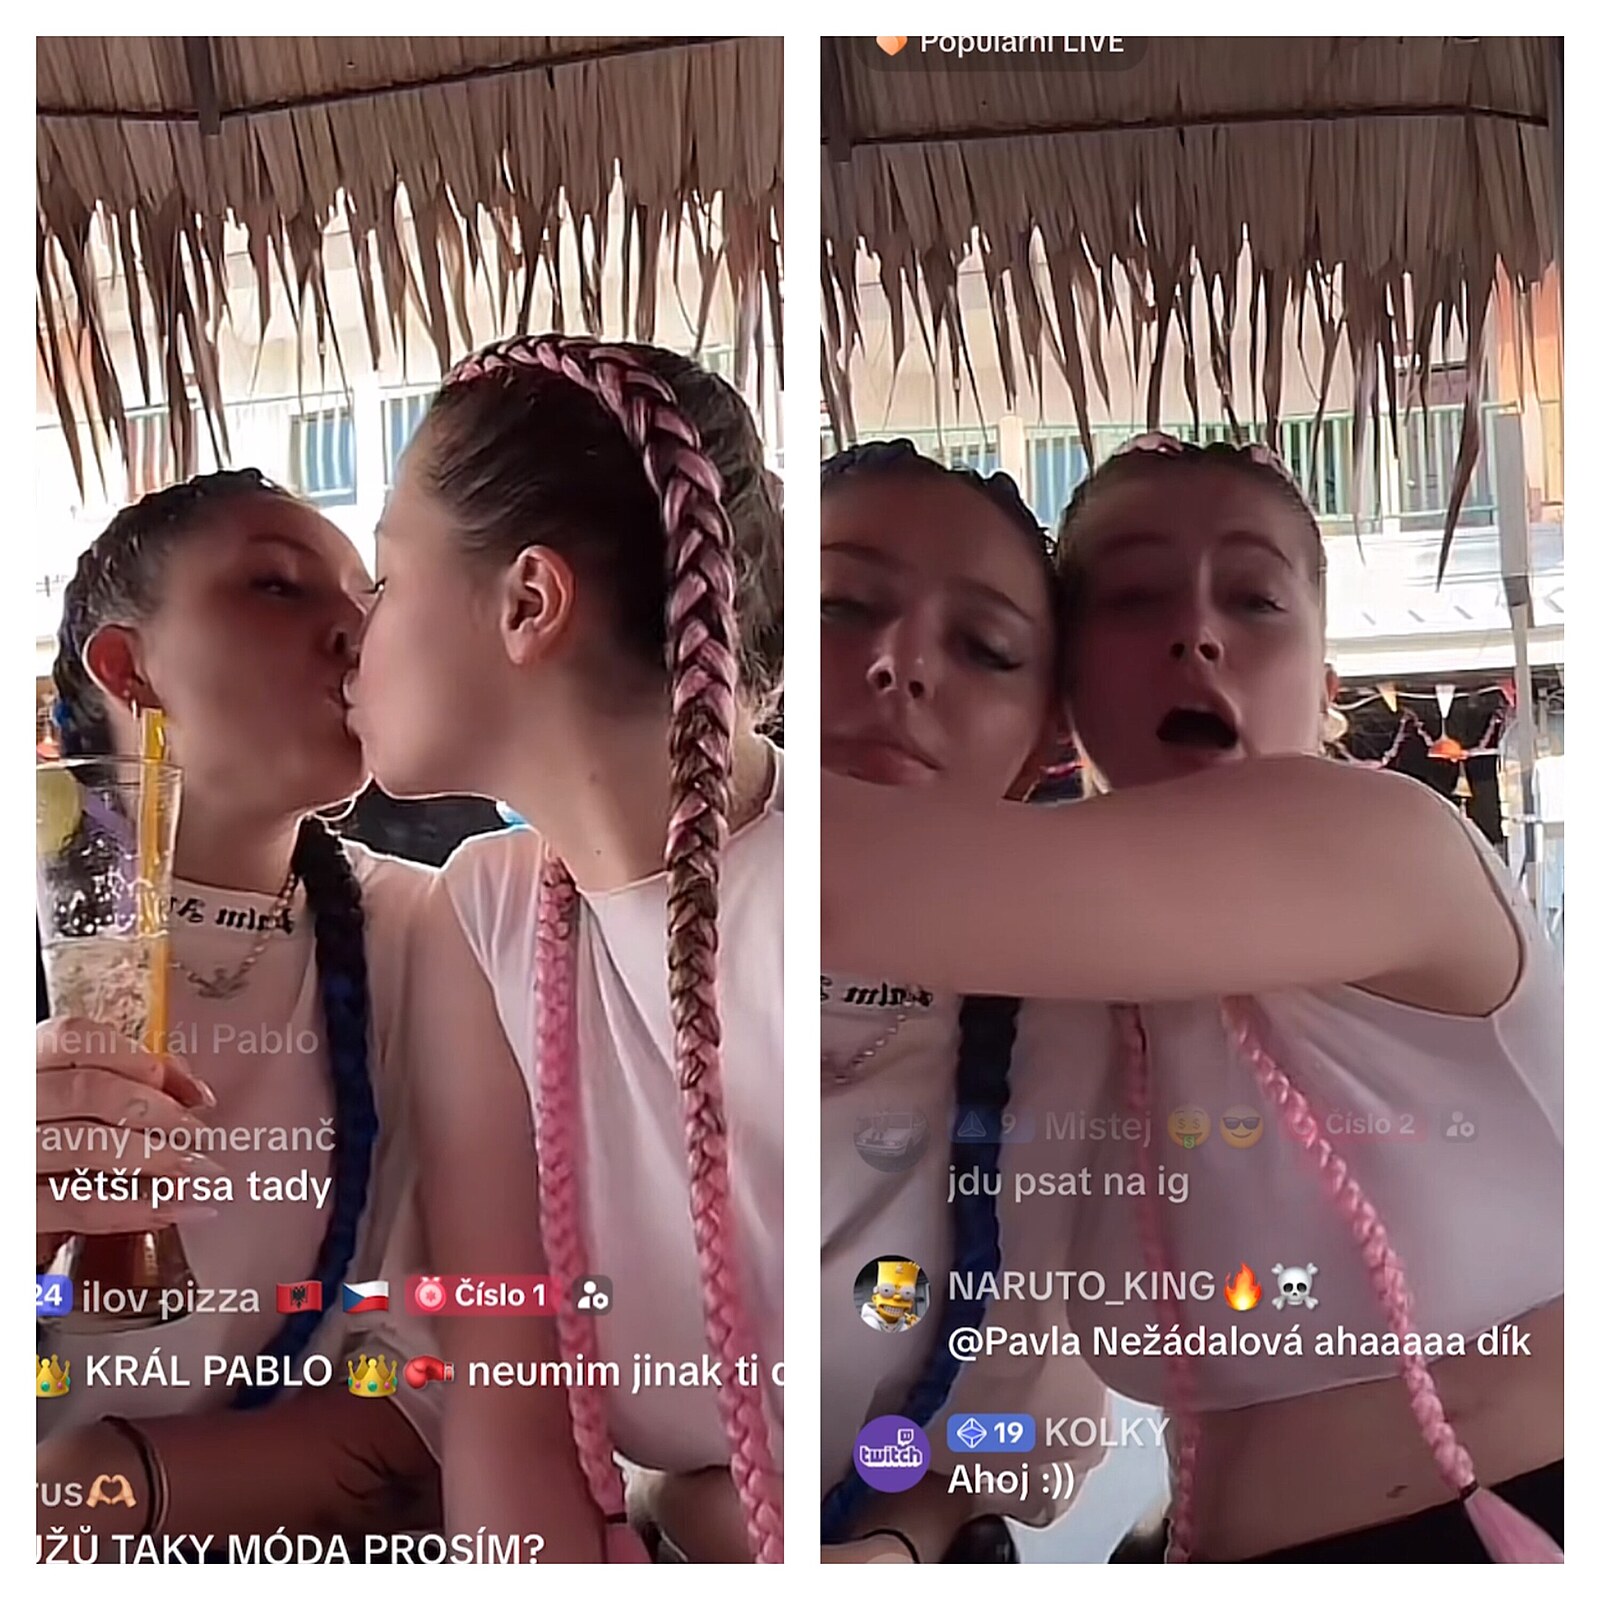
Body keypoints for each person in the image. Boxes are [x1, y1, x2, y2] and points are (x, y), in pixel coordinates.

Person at [822, 435, 1563, 1562]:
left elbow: (839, 879)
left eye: (1254, 598)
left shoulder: (1390, 842)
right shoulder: (1044, 1009)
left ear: (1326, 685)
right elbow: (1020, 1409)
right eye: (1133, 597)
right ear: (1066, 700)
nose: (1196, 634)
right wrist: (900, 1532)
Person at [347, 335, 784, 1562]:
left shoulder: (861, 883)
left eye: (383, 579)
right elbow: (510, 1407)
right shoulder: (480, 915)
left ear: (528, 603)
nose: (352, 633)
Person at [36, 471, 444, 1556]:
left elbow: (444, 1393)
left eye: (368, 597)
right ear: (128, 670)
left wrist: (98, 1485)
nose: (355, 632)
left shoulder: (432, 932)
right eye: (276, 585)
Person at [818, 441, 1107, 1564]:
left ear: (1045, 743)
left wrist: (903, 1535)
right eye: (840, 607)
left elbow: (1027, 1439)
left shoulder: (1076, 1006)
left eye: (984, 647)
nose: (899, 664)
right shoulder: (567, 927)